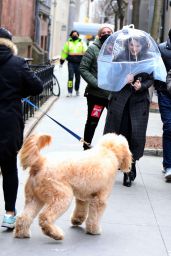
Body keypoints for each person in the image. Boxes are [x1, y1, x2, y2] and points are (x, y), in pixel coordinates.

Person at [0, 27, 43, 229]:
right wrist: (18, 90)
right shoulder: (18, 64)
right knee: (8, 169)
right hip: (8, 124)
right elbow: (37, 87)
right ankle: (9, 214)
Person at [104, 36, 154, 187]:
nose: (134, 49)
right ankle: (114, 167)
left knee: (135, 135)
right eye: (132, 45)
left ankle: (130, 169)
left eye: (137, 46)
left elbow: (151, 78)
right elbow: (111, 77)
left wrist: (142, 85)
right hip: (121, 102)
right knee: (118, 134)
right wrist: (123, 79)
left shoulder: (147, 59)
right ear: (128, 45)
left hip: (138, 103)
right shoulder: (120, 57)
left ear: (142, 46)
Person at [80, 24, 114, 150]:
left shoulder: (117, 50)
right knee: (93, 121)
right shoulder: (93, 49)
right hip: (96, 96)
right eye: (104, 32)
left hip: (112, 96)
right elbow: (83, 69)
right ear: (99, 35)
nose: (107, 34)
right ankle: (86, 146)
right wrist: (97, 83)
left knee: (114, 124)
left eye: (109, 32)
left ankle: (110, 150)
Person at [155, 29, 171, 182]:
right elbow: (156, 71)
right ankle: (168, 166)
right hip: (165, 94)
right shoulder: (161, 49)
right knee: (169, 127)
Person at [60, 30, 87, 97]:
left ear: (78, 35)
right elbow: (64, 53)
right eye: (73, 34)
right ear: (71, 35)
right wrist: (61, 62)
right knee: (70, 78)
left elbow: (86, 52)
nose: (75, 35)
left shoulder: (81, 43)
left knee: (78, 78)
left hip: (79, 63)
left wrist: (86, 62)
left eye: (76, 34)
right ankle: (69, 91)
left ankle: (77, 90)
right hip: (71, 63)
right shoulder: (68, 43)